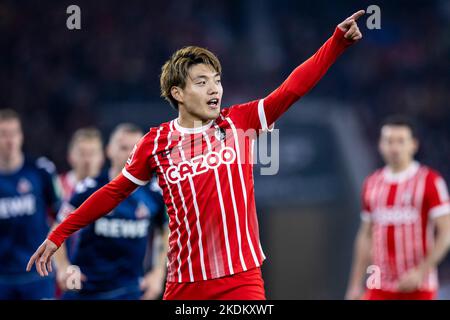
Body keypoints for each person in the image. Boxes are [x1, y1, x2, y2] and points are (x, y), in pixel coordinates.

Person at [27, 10, 365, 300]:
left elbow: (291, 88)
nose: (214, 88)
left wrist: (336, 43)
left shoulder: (239, 123)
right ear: (178, 93)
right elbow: (113, 192)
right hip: (185, 283)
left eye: (216, 81)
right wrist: (59, 234)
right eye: (202, 82)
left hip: (241, 279)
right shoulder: (155, 143)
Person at [54, 124, 168, 300]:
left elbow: (168, 231)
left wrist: (158, 273)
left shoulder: (155, 193)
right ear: (109, 150)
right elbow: (57, 227)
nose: (131, 154)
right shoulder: (89, 188)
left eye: (136, 148)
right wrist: (63, 268)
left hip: (130, 290)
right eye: (123, 148)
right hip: (84, 289)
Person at [346, 116, 450, 300]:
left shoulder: (430, 181)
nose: (394, 148)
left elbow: (446, 233)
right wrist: (355, 285)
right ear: (380, 144)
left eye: (401, 141)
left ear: (414, 145)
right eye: (389, 141)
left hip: (419, 287)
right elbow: (365, 236)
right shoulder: (372, 184)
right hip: (379, 286)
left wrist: (421, 271)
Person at [0, 109, 61, 299]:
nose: (10, 140)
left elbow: (62, 215)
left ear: (21, 136)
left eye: (14, 133)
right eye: (3, 134)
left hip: (38, 276)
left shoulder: (41, 171)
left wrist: (61, 260)